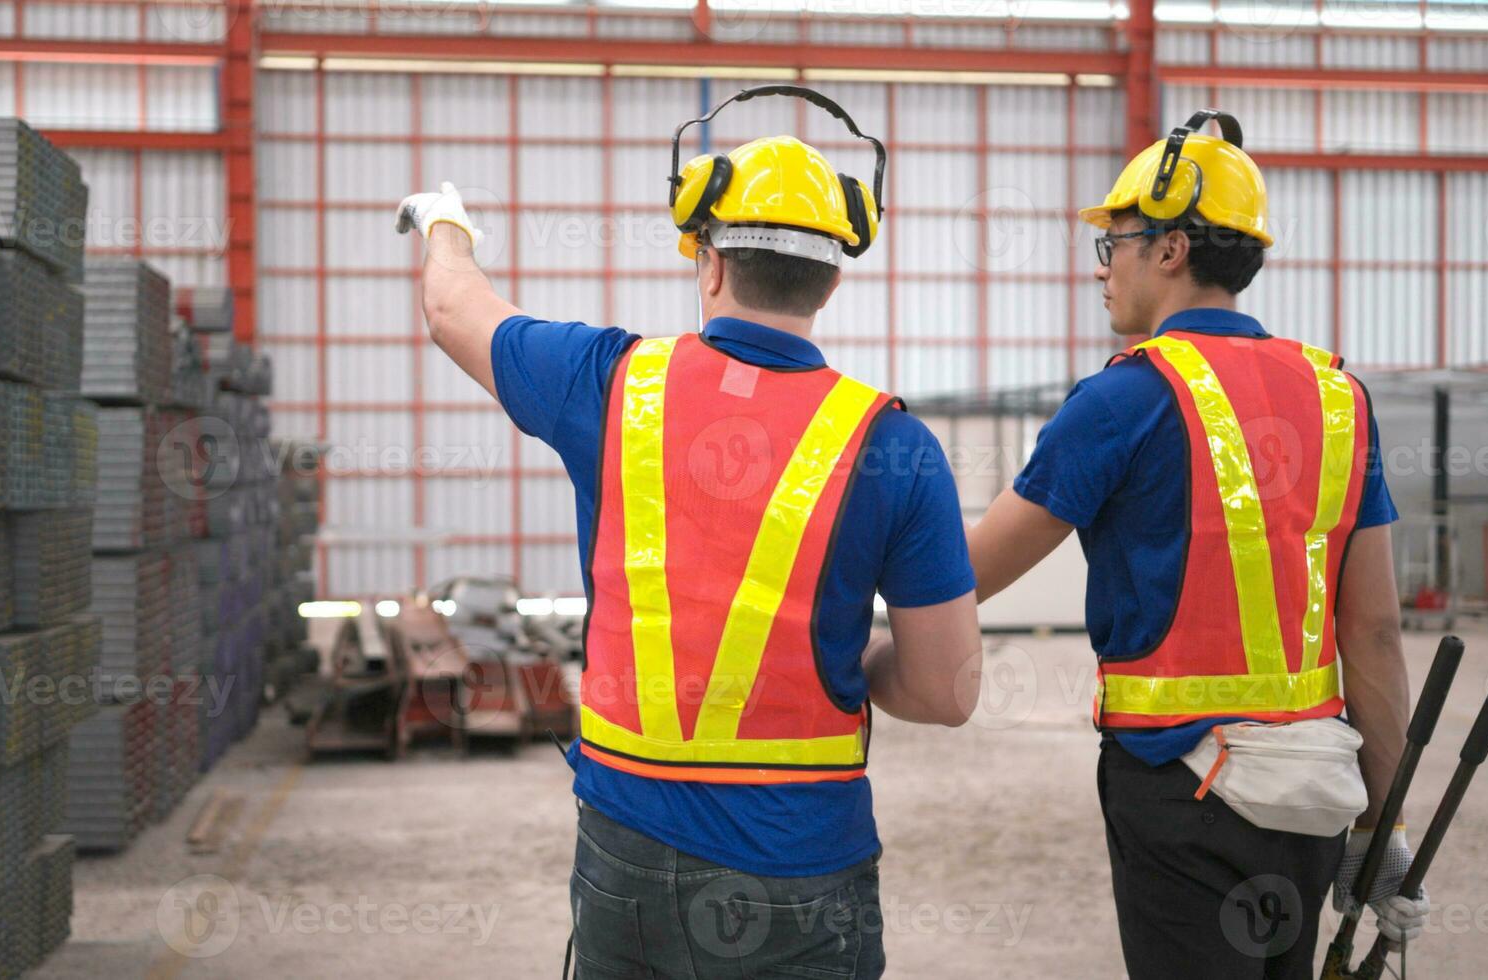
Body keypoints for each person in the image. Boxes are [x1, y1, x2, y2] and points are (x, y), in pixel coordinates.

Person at [393, 86, 983, 980]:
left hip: (629, 848)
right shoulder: (893, 446)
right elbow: (946, 692)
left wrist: (446, 223)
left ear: (708, 264)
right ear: (832, 275)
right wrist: (842, 668)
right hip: (802, 862)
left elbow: (453, 309)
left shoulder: (609, 384)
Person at [965, 110, 1428, 979]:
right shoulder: (1339, 399)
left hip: (1179, 794)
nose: (1105, 268)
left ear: (1171, 248)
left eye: (1117, 242)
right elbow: (1372, 631)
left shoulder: (1121, 400)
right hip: (1314, 798)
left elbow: (968, 575)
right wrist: (1384, 819)